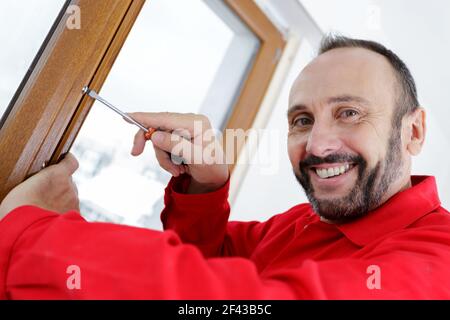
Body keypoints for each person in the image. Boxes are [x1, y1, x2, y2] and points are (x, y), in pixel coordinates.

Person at [0, 35, 449, 299]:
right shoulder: (304, 224)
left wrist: (29, 236)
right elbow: (209, 264)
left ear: (413, 131)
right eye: (302, 120)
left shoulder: (440, 262)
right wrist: (205, 188)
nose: (317, 144)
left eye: (349, 112)